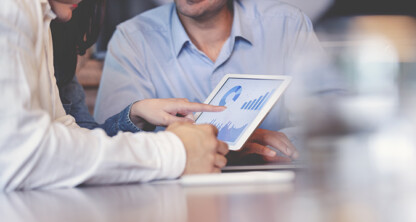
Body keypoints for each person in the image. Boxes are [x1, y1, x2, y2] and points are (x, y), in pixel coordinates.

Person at [0, 0, 228, 191]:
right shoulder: (14, 7)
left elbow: (67, 131)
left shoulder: (43, 17)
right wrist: (175, 151)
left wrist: (135, 114)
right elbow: (20, 153)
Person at [94, 0, 344, 163]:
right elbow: (109, 144)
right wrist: (220, 144)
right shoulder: (132, 39)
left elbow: (332, 122)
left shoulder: (287, 25)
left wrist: (273, 143)